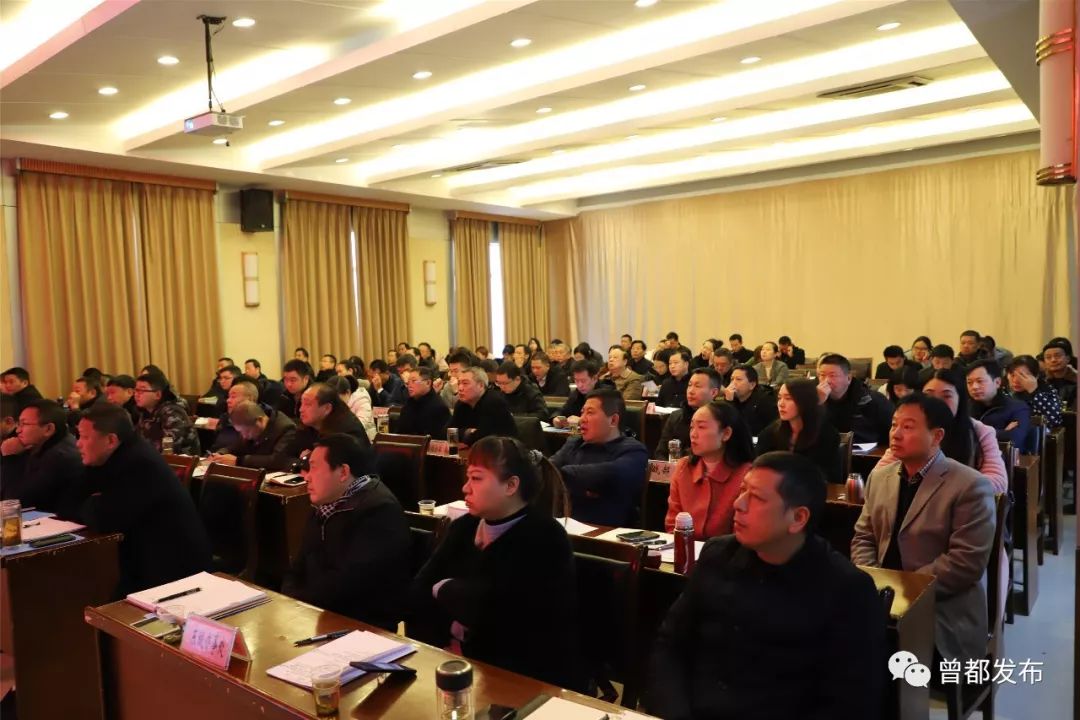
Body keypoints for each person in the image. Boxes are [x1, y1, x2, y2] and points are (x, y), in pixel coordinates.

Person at [649, 451, 885, 720]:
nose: (738, 504)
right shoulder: (718, 555)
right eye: (742, 491)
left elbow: (851, 703)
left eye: (757, 498)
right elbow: (670, 644)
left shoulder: (846, 590)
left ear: (798, 518)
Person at [411, 436, 582, 689]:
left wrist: (445, 588)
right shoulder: (464, 527)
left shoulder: (545, 537)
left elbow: (503, 619)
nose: (465, 488)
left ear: (511, 485)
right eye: (468, 478)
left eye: (477, 478)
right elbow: (419, 591)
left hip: (524, 678)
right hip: (455, 663)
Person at [851, 395, 995, 667]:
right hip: (881, 601)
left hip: (940, 612)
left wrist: (903, 594)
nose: (895, 434)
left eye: (908, 427)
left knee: (877, 664)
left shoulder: (970, 486)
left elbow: (965, 563)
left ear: (937, 436)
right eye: (894, 425)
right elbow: (864, 537)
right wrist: (874, 585)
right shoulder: (879, 477)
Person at [71, 404, 212, 596]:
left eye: (85, 437)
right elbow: (71, 501)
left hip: (171, 568)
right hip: (139, 557)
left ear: (111, 440)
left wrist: (92, 503)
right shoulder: (104, 457)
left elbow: (104, 519)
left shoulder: (139, 463)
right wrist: (93, 503)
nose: (78, 444)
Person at [282, 434, 410, 630]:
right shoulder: (325, 504)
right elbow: (298, 565)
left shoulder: (379, 511)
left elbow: (348, 585)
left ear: (343, 472)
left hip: (363, 626)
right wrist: (289, 596)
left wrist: (299, 601)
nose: (306, 476)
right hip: (317, 612)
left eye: (314, 468)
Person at [878, 369, 1008, 494]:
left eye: (946, 396)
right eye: (928, 395)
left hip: (961, 505)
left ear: (960, 399)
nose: (937, 403)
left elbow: (998, 483)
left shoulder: (980, 431)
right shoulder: (909, 430)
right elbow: (879, 476)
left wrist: (942, 490)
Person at [550, 388, 648, 525]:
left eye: (590, 413)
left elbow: (610, 475)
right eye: (582, 412)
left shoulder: (634, 451)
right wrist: (582, 488)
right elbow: (548, 470)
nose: (582, 419)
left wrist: (564, 479)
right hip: (566, 527)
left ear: (613, 420)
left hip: (609, 532)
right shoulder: (574, 443)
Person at [664, 400, 754, 539]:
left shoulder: (747, 475)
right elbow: (672, 524)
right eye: (692, 427)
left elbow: (742, 535)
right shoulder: (683, 468)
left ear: (726, 433)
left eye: (701, 427)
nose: (693, 434)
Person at [0, 400, 83, 513]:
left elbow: (14, 503)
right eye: (19, 424)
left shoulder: (59, 457)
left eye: (24, 424)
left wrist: (10, 458)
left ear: (48, 429)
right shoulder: (39, 445)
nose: (18, 430)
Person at [756, 379, 842, 483]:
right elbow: (759, 468)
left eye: (788, 398)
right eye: (779, 398)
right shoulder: (770, 433)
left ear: (805, 401)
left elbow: (831, 477)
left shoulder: (827, 435)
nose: (781, 404)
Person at [816, 354, 893, 444]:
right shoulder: (813, 400)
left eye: (833, 376)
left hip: (867, 451)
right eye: (822, 375)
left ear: (849, 378)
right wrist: (817, 403)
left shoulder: (872, 400)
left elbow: (892, 433)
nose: (826, 380)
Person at [287, 384, 371, 463]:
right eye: (301, 403)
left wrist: (306, 459)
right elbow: (284, 457)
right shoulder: (309, 425)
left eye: (308, 404)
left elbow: (330, 466)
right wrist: (302, 462)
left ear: (327, 408)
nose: (301, 409)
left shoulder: (344, 431)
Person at [966, 359, 1033, 454]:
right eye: (969, 382)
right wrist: (1001, 432)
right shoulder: (966, 407)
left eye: (980, 381)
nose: (974, 387)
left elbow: (1015, 440)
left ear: (997, 382)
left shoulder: (1018, 408)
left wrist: (974, 433)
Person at [654, 368, 721, 459]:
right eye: (689, 385)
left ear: (713, 392)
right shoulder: (676, 416)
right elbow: (661, 452)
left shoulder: (720, 419)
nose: (691, 391)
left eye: (697, 386)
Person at [215, 401, 297, 471]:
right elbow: (236, 447)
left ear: (260, 421)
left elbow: (276, 460)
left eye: (247, 431)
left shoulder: (286, 428)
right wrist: (221, 454)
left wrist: (239, 461)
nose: (244, 436)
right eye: (240, 432)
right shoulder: (248, 425)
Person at [133, 373, 200, 455]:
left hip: (180, 460)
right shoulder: (145, 412)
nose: (136, 394)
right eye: (136, 390)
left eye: (141, 391)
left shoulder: (173, 412)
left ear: (157, 395)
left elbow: (169, 447)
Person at [449, 367, 518, 445]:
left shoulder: (494, 402)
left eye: (465, 383)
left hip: (504, 449)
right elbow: (447, 432)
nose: (460, 388)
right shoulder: (461, 404)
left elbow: (482, 438)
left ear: (481, 385)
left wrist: (461, 433)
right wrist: (467, 432)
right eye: (459, 383)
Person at [1005, 355, 1063, 429]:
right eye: (1012, 375)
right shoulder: (1003, 390)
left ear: (1036, 376)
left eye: (1023, 376)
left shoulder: (1047, 391)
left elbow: (1054, 421)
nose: (1016, 380)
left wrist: (1034, 392)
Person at [551, 360, 614, 428]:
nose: (580, 385)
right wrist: (555, 418)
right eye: (576, 380)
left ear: (595, 378)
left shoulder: (607, 393)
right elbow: (563, 410)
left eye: (583, 381)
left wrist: (582, 420)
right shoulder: (577, 393)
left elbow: (607, 420)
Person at [394, 367, 451, 437]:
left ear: (428, 383)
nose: (409, 385)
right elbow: (399, 433)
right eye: (408, 382)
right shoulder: (409, 404)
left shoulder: (439, 408)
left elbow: (437, 439)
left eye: (413, 381)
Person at [724, 365, 778, 437]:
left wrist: (729, 403)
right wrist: (728, 402)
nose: (733, 383)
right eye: (732, 379)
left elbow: (745, 426)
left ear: (752, 385)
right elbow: (725, 425)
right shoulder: (730, 397)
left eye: (738, 379)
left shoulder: (765, 400)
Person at [1042, 340, 1077, 409]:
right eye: (1048, 357)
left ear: (1068, 359)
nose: (1053, 360)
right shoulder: (1040, 383)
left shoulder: (1076, 381)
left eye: (1057, 356)